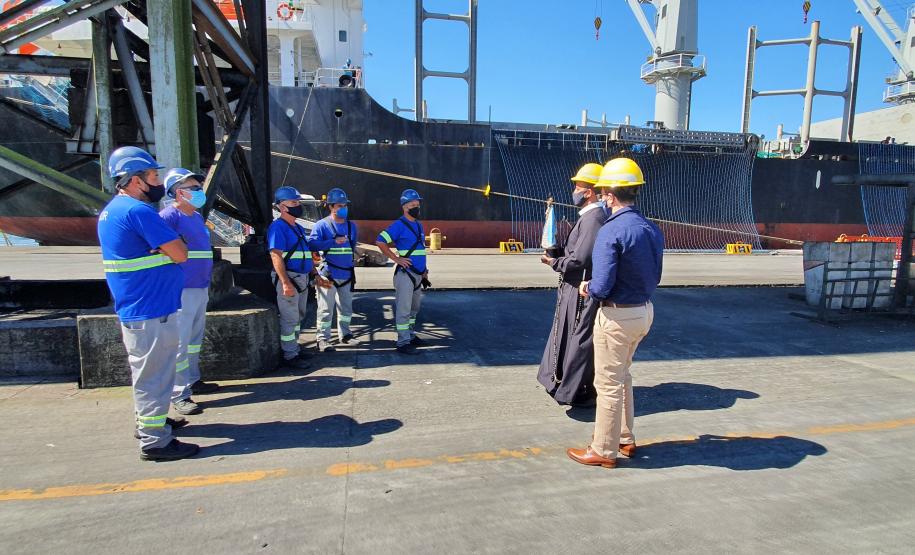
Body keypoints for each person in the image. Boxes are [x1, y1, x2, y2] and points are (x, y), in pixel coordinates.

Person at [97, 146, 198, 461]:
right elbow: (181, 252)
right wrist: (172, 247)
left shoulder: (112, 210)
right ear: (135, 180)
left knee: (150, 373)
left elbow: (169, 250)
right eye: (153, 175)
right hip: (150, 309)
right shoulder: (139, 212)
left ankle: (150, 423)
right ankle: (155, 442)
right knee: (154, 375)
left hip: (140, 307)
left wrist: (166, 249)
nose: (158, 181)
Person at [566, 157, 664, 469]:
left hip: (617, 316)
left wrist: (587, 288)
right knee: (623, 377)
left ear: (608, 194)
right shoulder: (650, 228)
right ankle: (625, 437)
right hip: (644, 312)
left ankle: (603, 451)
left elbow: (603, 285)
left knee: (607, 384)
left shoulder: (611, 231)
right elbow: (655, 276)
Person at [538, 163, 606, 406]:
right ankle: (565, 384)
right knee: (567, 336)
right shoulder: (590, 218)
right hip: (573, 287)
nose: (574, 190)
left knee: (577, 338)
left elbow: (581, 259)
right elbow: (576, 252)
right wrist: (557, 252)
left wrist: (555, 262)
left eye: (577, 185)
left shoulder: (593, 219)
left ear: (589, 191)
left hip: (579, 291)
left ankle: (576, 390)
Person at [159, 168, 219, 417]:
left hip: (199, 286)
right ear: (178, 192)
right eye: (193, 188)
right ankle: (179, 394)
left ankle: (193, 379)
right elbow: (159, 248)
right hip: (181, 289)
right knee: (181, 343)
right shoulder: (168, 216)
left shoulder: (195, 217)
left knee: (194, 339)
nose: (198, 191)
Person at [268, 186, 319, 369]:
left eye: (298, 202)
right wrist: (285, 282)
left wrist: (314, 272)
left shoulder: (296, 227)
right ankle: (290, 355)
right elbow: (276, 256)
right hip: (290, 279)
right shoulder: (278, 227)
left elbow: (304, 253)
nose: (298, 205)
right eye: (293, 202)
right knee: (289, 318)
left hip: (301, 278)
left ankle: (294, 347)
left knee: (298, 316)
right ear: (282, 207)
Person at [375, 189, 429, 355]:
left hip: (418, 274)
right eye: (413, 205)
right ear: (405, 207)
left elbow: (420, 250)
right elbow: (380, 240)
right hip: (406, 275)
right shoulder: (399, 225)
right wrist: (396, 259)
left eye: (418, 204)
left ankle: (410, 335)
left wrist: (424, 271)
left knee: (414, 308)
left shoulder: (418, 225)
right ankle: (403, 342)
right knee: (404, 309)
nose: (417, 207)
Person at [308, 187, 359, 352]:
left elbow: (351, 247)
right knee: (325, 309)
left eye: (345, 205)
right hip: (327, 275)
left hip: (346, 275)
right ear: (330, 207)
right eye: (339, 205)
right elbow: (313, 245)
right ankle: (322, 339)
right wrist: (332, 242)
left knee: (346, 307)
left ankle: (346, 334)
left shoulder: (352, 227)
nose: (343, 208)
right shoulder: (321, 225)